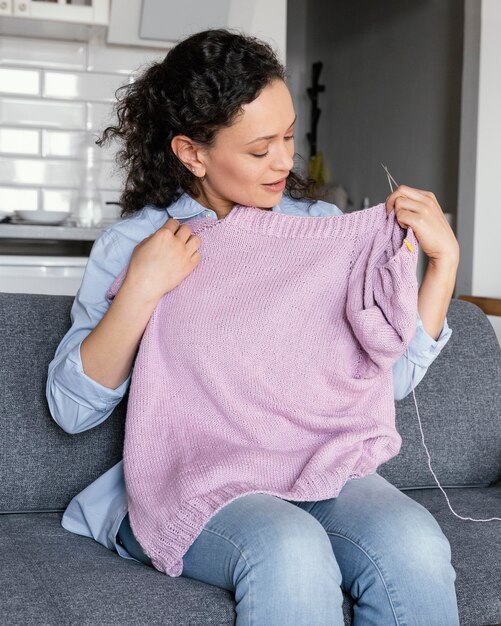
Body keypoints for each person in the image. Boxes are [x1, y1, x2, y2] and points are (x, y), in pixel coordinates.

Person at [47, 28, 461, 626]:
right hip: (192, 480)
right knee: (289, 549)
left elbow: (382, 384)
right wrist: (141, 288)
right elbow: (71, 411)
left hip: (317, 465)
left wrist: (442, 265)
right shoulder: (135, 245)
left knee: (416, 545)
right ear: (193, 152)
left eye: (289, 136)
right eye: (260, 148)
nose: (286, 162)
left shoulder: (321, 231)